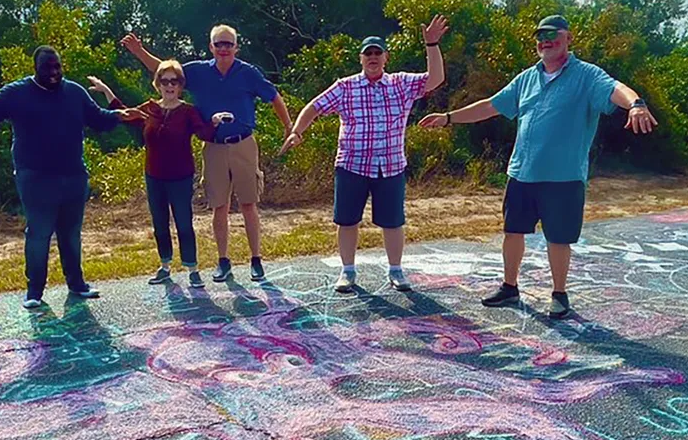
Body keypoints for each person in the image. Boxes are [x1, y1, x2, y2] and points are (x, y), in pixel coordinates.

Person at [418, 14, 659, 318]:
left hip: (563, 178)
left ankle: (559, 294)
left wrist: (636, 103)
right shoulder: (527, 78)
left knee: (558, 238)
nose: (545, 41)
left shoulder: (586, 75)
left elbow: (616, 89)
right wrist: (449, 117)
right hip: (522, 172)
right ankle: (509, 287)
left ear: (568, 38)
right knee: (512, 231)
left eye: (552, 35)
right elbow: (492, 105)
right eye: (540, 36)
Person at [0, 46, 144, 309]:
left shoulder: (74, 92)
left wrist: (120, 115)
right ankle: (34, 291)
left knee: (70, 234)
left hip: (73, 175)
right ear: (36, 68)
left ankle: (77, 285)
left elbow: (98, 119)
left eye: (58, 66)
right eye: (48, 67)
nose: (54, 72)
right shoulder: (19, 92)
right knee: (39, 233)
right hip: (35, 178)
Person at [279, 15, 450, 293]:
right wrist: (297, 131)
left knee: (393, 222)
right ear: (361, 59)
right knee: (347, 221)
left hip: (391, 166)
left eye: (377, 53)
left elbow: (436, 79)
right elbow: (314, 107)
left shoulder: (401, 84)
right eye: (367, 53)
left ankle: (396, 270)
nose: (372, 57)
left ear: (386, 57)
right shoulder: (345, 87)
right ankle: (347, 271)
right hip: (352, 166)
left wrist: (431, 44)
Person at [121, 25, 293, 283]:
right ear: (211, 46)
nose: (224, 48)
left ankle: (256, 260)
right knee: (219, 206)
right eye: (219, 44)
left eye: (228, 44)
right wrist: (139, 51)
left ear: (236, 47)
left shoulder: (248, 73)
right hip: (213, 145)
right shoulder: (198, 71)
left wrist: (289, 127)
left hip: (244, 143)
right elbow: (166, 71)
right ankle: (223, 261)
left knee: (248, 204)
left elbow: (274, 97)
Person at [87, 61, 229, 288]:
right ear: (158, 84)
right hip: (154, 177)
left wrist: (214, 122)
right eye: (165, 81)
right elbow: (125, 113)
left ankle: (192, 269)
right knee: (159, 224)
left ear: (181, 85)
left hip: (181, 177)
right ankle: (165, 266)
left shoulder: (188, 111)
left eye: (174, 81)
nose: (170, 86)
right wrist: (105, 90)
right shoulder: (150, 109)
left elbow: (205, 133)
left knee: (184, 223)